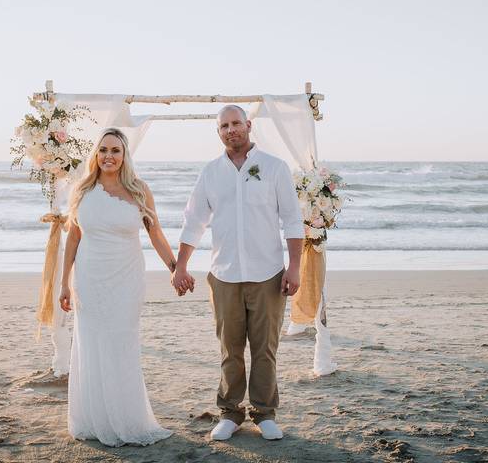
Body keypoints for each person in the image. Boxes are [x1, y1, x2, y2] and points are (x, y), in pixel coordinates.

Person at [172, 105, 304, 441]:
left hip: (269, 274)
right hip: (224, 275)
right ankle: (230, 413)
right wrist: (182, 265)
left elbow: (292, 220)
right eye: (224, 126)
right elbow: (194, 221)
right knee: (229, 349)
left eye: (236, 123)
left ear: (248, 125)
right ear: (219, 132)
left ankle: (264, 413)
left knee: (265, 348)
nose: (231, 130)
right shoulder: (211, 172)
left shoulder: (274, 168)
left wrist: (295, 268)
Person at [58, 128, 189, 446]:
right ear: (95, 154)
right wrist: (64, 282)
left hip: (126, 279)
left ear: (125, 154)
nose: (108, 156)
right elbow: (73, 237)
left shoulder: (139, 190)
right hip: (89, 280)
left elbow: (155, 234)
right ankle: (94, 418)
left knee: (121, 344)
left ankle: (128, 418)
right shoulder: (82, 190)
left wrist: (175, 267)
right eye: (103, 150)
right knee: (91, 344)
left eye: (115, 150)